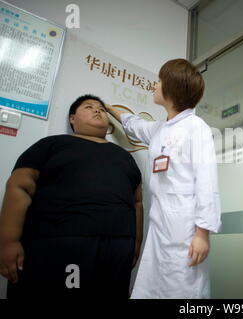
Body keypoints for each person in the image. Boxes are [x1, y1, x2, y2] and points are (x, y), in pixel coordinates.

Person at [0, 94, 143, 298]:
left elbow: (137, 202)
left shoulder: (125, 157)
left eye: (102, 109)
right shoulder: (51, 145)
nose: (97, 110)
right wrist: (8, 241)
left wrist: (135, 245)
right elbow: (19, 186)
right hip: (59, 244)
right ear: (72, 119)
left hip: (118, 250)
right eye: (89, 106)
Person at [106, 59, 221, 299]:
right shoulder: (160, 129)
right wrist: (107, 108)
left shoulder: (195, 127)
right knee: (152, 287)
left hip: (186, 229)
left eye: (159, 81)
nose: (154, 86)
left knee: (182, 289)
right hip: (160, 225)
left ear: (172, 87)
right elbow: (133, 124)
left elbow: (206, 182)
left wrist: (202, 234)